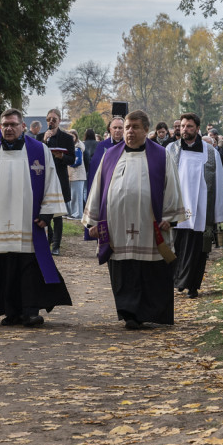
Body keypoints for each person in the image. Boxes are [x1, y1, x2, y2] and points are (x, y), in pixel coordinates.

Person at [0, 108, 72, 327]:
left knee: (28, 267)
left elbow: (51, 181)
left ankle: (30, 311)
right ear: (0, 126)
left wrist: (47, 213)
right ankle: (10, 312)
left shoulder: (39, 151)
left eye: (13, 124)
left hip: (28, 222)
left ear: (23, 126)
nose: (9, 128)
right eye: (5, 125)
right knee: (3, 268)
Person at [83, 110, 184, 329]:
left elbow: (172, 186)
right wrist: (93, 222)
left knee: (150, 269)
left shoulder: (161, 155)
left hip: (150, 224)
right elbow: (98, 187)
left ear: (146, 130)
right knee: (123, 269)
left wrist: (170, 218)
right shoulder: (110, 155)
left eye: (135, 127)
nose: (130, 131)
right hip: (117, 226)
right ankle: (128, 314)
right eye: (127, 127)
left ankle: (149, 312)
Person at [166, 112, 223, 299]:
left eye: (189, 126)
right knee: (177, 246)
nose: (185, 129)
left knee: (198, 249)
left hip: (201, 209)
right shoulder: (171, 149)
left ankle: (193, 286)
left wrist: (220, 211)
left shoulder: (210, 152)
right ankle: (179, 280)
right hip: (177, 207)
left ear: (197, 128)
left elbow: (219, 181)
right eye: (183, 126)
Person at [44, 109, 75, 255]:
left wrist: (61, 156)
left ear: (59, 121)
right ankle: (49, 237)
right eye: (49, 119)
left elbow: (72, 159)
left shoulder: (67, 138)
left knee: (57, 215)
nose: (51, 121)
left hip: (60, 178)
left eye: (54, 119)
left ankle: (56, 245)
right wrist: (44, 141)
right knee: (44, 212)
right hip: (44, 179)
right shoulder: (41, 137)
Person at [85, 116, 125, 194]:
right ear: (110, 129)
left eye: (120, 128)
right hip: (107, 184)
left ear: (124, 129)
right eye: (115, 127)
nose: (117, 130)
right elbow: (95, 167)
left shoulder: (129, 145)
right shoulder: (102, 146)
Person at [67, 130, 86, 220]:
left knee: (77, 196)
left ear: (76, 137)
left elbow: (78, 161)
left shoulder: (77, 147)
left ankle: (78, 214)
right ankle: (73, 212)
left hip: (77, 174)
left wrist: (68, 163)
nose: (71, 139)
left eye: (73, 137)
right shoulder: (72, 146)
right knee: (73, 195)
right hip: (72, 174)